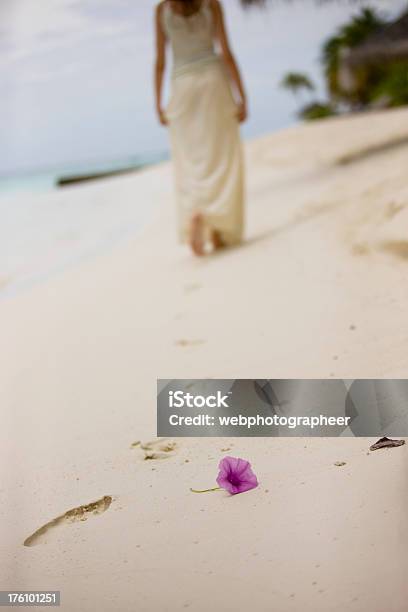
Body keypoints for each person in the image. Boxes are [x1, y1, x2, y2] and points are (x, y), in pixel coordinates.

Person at [154, 0, 248, 256]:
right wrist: (242, 95)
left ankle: (197, 210)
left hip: (182, 84)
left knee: (190, 157)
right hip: (213, 79)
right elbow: (226, 52)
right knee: (220, 154)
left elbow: (161, 61)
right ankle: (217, 226)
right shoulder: (212, 5)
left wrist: (158, 103)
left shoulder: (163, 10)